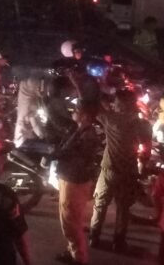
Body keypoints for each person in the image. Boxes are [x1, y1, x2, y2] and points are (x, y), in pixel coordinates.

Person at [90, 90, 152, 252]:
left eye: (116, 102)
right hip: (128, 171)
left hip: (108, 169)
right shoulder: (143, 125)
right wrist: (142, 166)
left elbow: (92, 104)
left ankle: (94, 237)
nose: (113, 105)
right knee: (123, 208)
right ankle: (119, 241)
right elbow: (146, 149)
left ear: (121, 105)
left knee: (100, 204)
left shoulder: (111, 119)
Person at [53, 106, 102, 265]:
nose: (73, 112)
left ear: (86, 116)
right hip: (70, 177)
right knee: (71, 218)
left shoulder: (88, 136)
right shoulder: (79, 130)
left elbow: (78, 157)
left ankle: (79, 257)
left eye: (77, 110)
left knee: (70, 221)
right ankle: (73, 250)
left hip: (75, 180)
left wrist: (59, 154)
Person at [13, 77, 49, 149]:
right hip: (24, 140)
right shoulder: (32, 81)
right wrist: (41, 135)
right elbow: (34, 122)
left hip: (21, 135)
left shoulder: (25, 81)